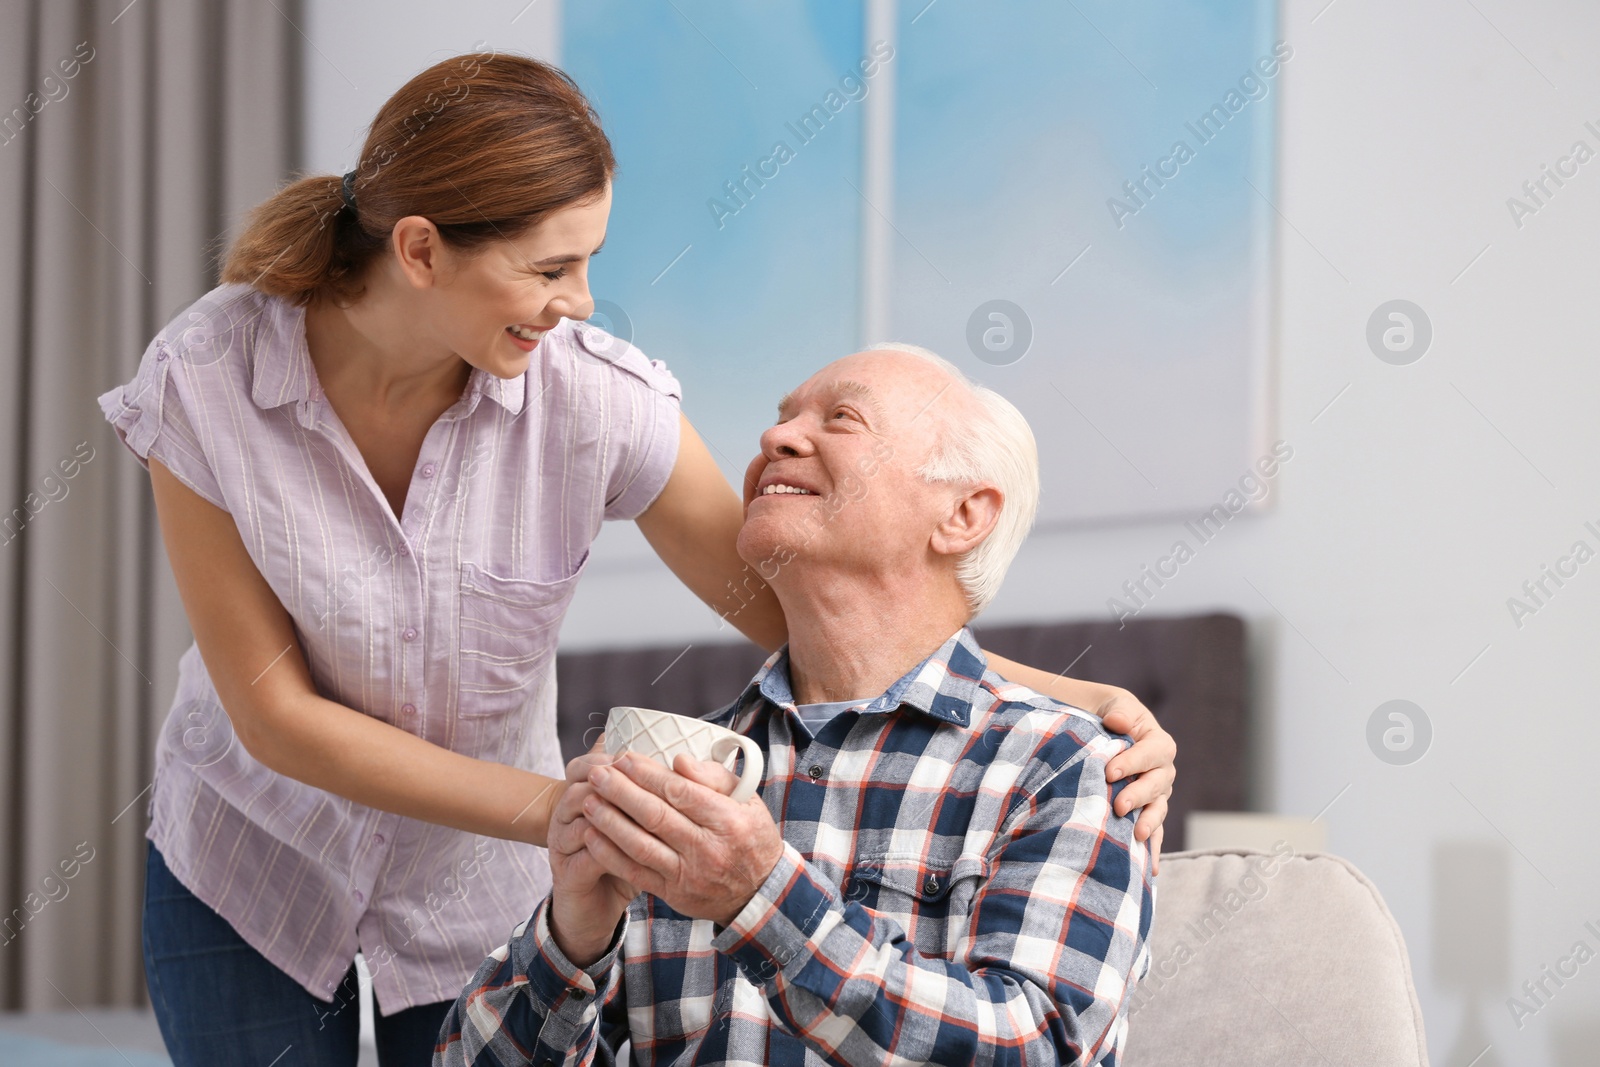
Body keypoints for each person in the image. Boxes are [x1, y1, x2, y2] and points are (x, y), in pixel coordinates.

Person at [97, 51, 1173, 1066]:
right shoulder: (207, 376)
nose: (577, 302)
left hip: (474, 887)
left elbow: (791, 605)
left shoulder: (592, 400)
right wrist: (573, 812)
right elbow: (273, 712)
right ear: (419, 250)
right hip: (254, 861)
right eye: (550, 267)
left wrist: (1064, 702)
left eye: (590, 263)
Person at [439, 344, 1155, 1066]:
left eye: (841, 418)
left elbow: (1037, 1047)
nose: (774, 439)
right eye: (781, 419)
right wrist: (572, 938)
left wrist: (761, 898)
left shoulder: (1068, 766)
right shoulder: (680, 769)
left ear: (964, 514)